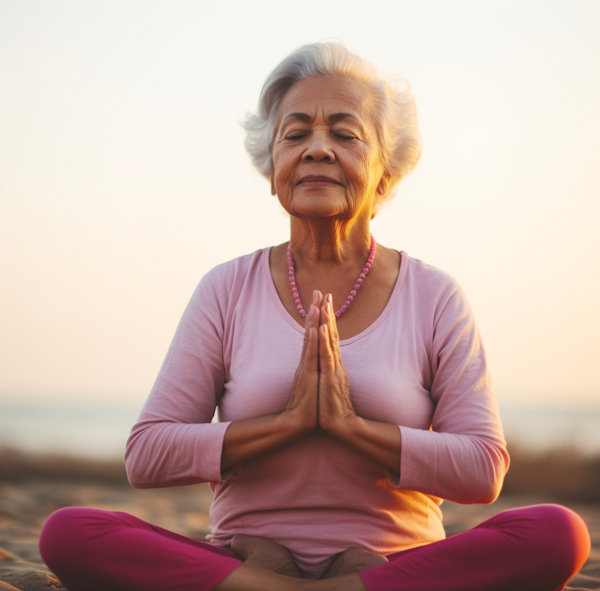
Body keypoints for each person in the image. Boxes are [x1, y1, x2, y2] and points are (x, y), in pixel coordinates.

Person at [39, 42, 590, 591]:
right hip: (247, 559)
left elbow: (482, 469)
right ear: (273, 166)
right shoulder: (227, 288)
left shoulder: (435, 294)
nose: (317, 149)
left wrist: (352, 427)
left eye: (345, 134)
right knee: (70, 531)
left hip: (391, 566)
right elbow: (148, 455)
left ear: (385, 171)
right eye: (296, 134)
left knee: (558, 532)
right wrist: (288, 424)